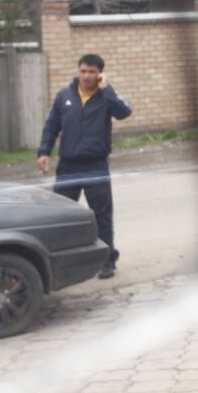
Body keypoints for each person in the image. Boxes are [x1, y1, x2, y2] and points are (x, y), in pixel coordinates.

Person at [37, 54, 133, 279]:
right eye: (83, 71)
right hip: (68, 166)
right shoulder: (64, 96)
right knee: (61, 215)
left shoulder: (107, 98)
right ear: (78, 71)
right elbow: (51, 126)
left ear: (100, 73)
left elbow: (124, 112)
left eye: (91, 72)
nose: (86, 76)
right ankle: (60, 263)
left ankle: (107, 261)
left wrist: (107, 90)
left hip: (96, 166)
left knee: (102, 216)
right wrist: (43, 152)